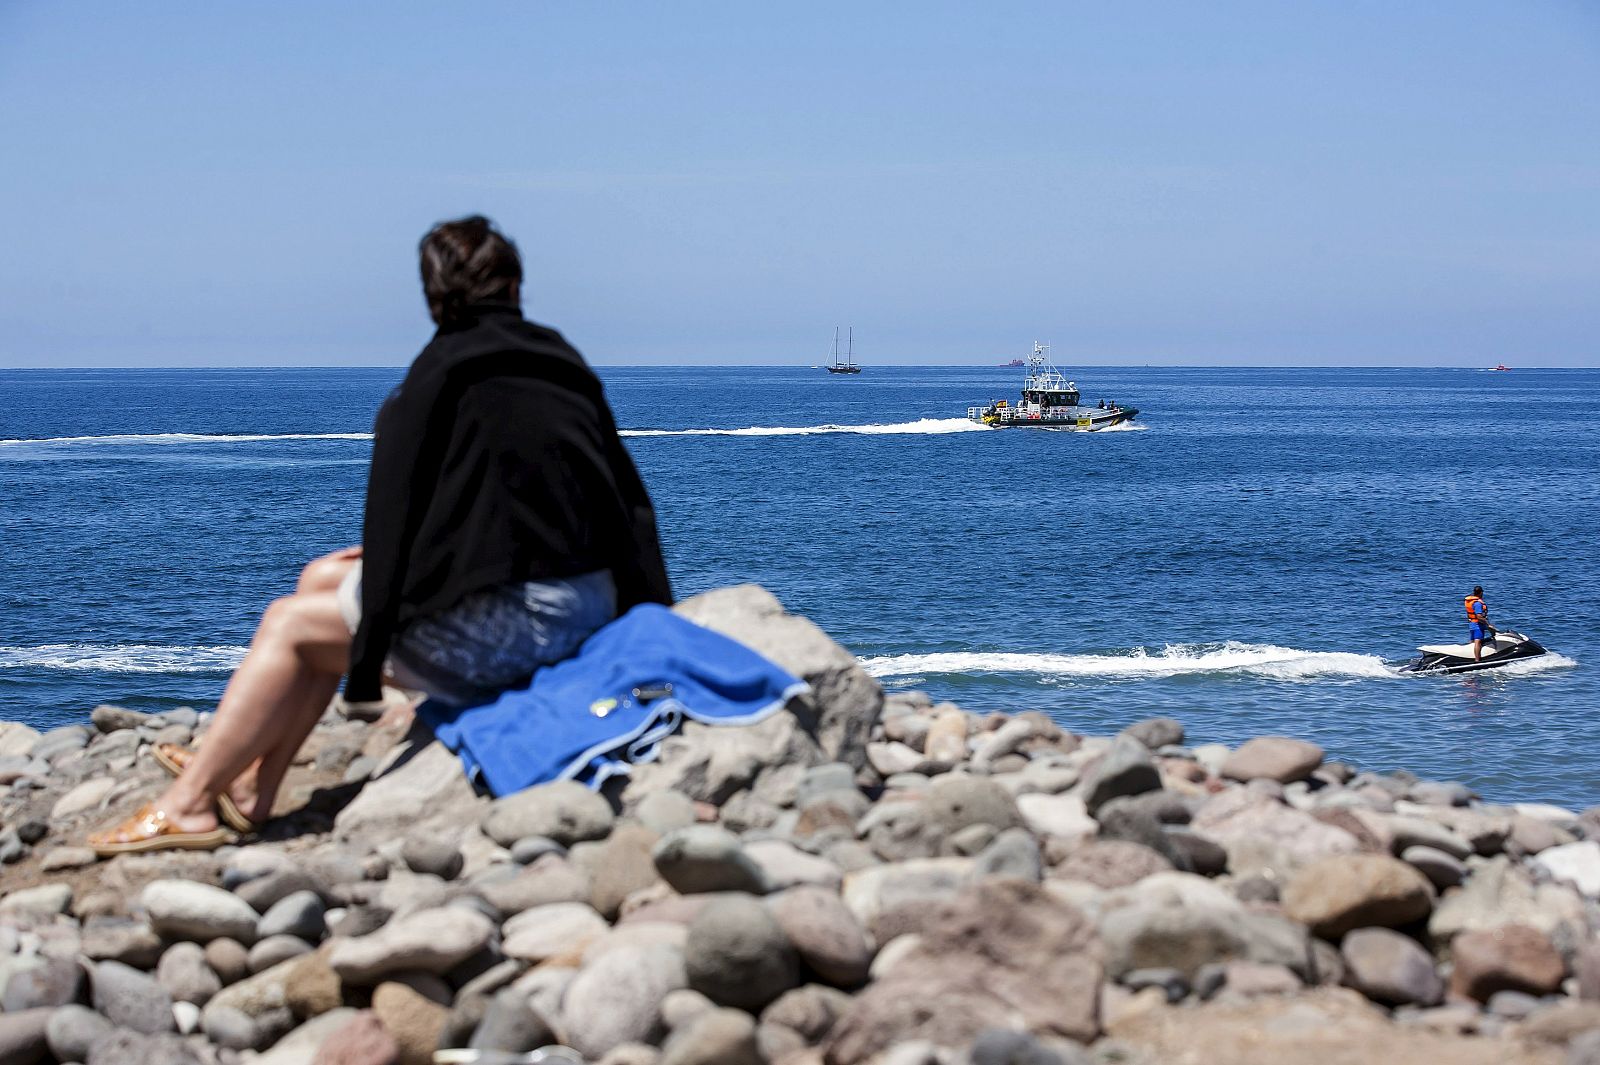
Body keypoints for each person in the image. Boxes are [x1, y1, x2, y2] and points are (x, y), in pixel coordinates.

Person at [90, 216, 672, 854]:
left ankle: (191, 803)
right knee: (323, 578)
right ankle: (255, 786)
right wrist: (654, 622)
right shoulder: (561, 364)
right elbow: (623, 504)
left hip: (527, 627)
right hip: (585, 600)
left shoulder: (435, 379)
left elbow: (392, 522)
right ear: (514, 286)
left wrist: (364, 675)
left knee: (291, 626)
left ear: (433, 297)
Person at [1465, 585, 1497, 662]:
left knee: (1473, 640)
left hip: (1472, 623)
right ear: (1481, 593)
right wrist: (1487, 624)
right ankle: (1477, 660)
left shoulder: (1470, 601)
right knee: (1477, 642)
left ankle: (1469, 656)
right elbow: (1479, 616)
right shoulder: (1477, 603)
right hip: (1478, 624)